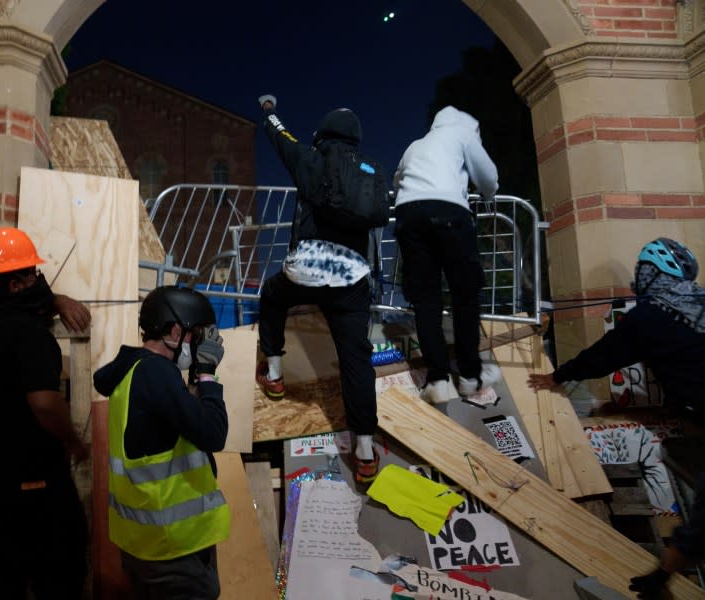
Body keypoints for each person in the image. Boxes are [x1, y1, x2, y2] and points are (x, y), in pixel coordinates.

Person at [526, 237, 705, 599]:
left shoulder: (652, 315)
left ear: (651, 274)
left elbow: (604, 355)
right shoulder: (697, 303)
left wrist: (556, 377)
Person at [0, 226, 92, 599]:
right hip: (30, 485)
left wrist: (56, 299)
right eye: (30, 274)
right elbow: (44, 403)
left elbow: (11, 305)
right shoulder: (28, 333)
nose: (37, 280)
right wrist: (75, 440)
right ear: (15, 285)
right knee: (63, 573)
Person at [255, 93, 380, 483]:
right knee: (356, 361)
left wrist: (270, 112)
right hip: (351, 278)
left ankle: (274, 373)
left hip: (306, 269)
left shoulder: (310, 158)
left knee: (273, 296)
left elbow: (281, 138)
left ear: (323, 134)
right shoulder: (369, 170)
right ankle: (364, 452)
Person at [93, 286, 230, 599]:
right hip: (175, 548)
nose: (198, 344)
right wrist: (208, 374)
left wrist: (196, 375)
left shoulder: (133, 372)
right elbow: (212, 433)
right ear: (175, 331)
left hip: (144, 545)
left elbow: (188, 427)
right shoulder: (156, 373)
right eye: (195, 336)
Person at [392, 105, 502, 405]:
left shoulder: (415, 145)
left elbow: (396, 180)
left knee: (426, 299)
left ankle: (438, 379)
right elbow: (489, 179)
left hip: (408, 215)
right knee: (465, 294)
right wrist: (483, 193)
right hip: (449, 212)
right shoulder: (464, 134)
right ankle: (470, 375)